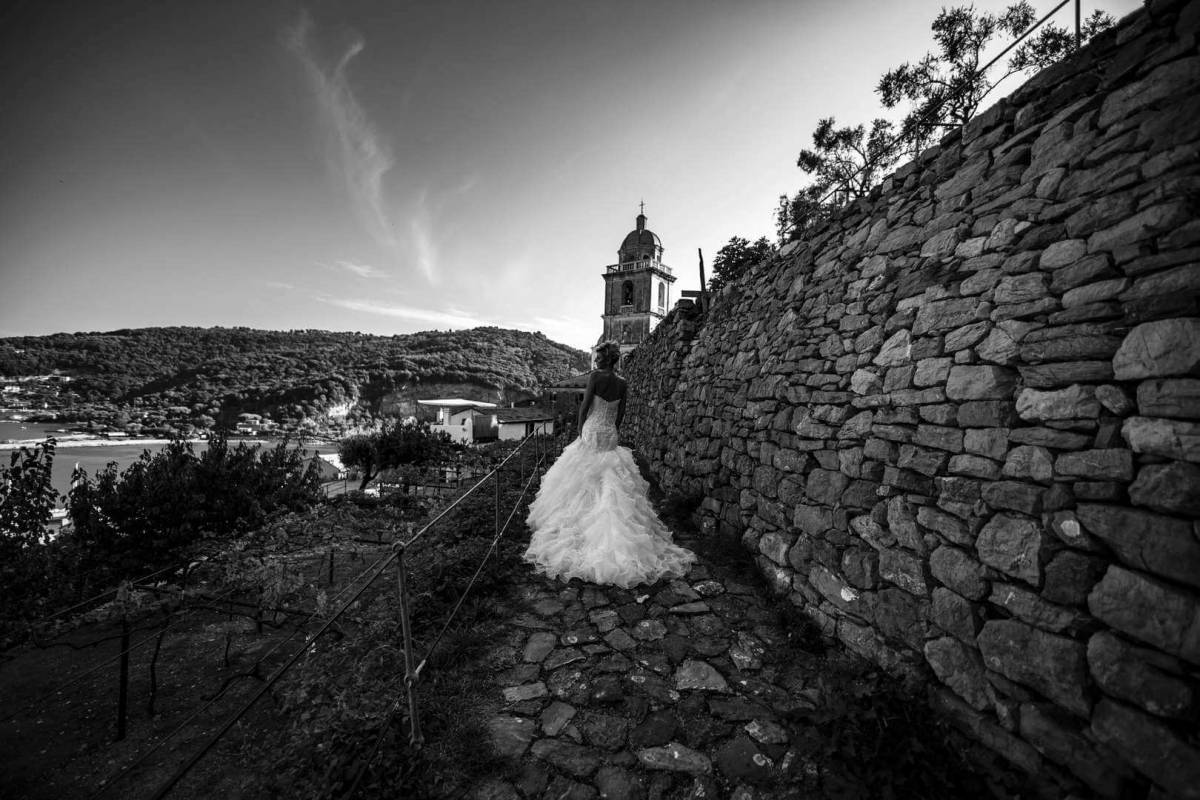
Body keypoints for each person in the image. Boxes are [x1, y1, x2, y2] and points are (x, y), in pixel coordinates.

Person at [524, 341, 695, 588]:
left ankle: (581, 525)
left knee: (582, 477)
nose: (596, 362)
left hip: (592, 430)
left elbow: (584, 406)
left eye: (600, 358)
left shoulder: (595, 377)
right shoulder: (623, 383)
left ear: (607, 360)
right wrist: (613, 430)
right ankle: (614, 532)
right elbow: (621, 413)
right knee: (610, 479)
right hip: (610, 433)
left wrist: (579, 429)